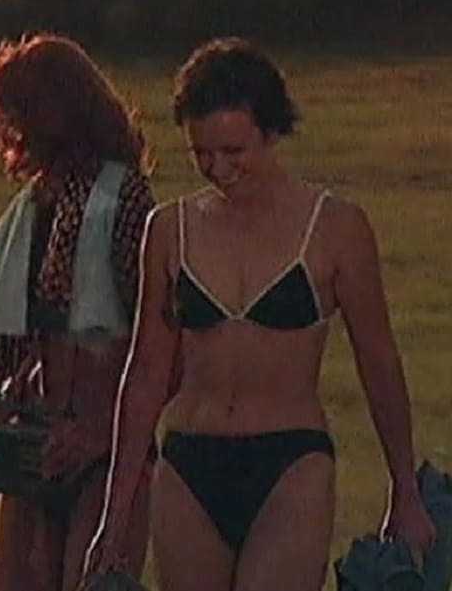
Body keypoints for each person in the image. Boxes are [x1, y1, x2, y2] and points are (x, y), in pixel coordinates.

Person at [81, 36, 436, 591]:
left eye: (234, 151)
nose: (218, 168)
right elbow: (147, 372)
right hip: (189, 461)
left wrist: (405, 491)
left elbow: (379, 363)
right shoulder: (169, 230)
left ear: (271, 133)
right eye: (202, 153)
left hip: (290, 462)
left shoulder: (336, 228)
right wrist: (115, 514)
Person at [0, 33, 157, 591]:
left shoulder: (124, 199)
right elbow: (35, 333)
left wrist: (104, 433)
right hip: (34, 440)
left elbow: (158, 341)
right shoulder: (36, 205)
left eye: (24, 114)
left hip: (103, 449)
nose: (15, 131)